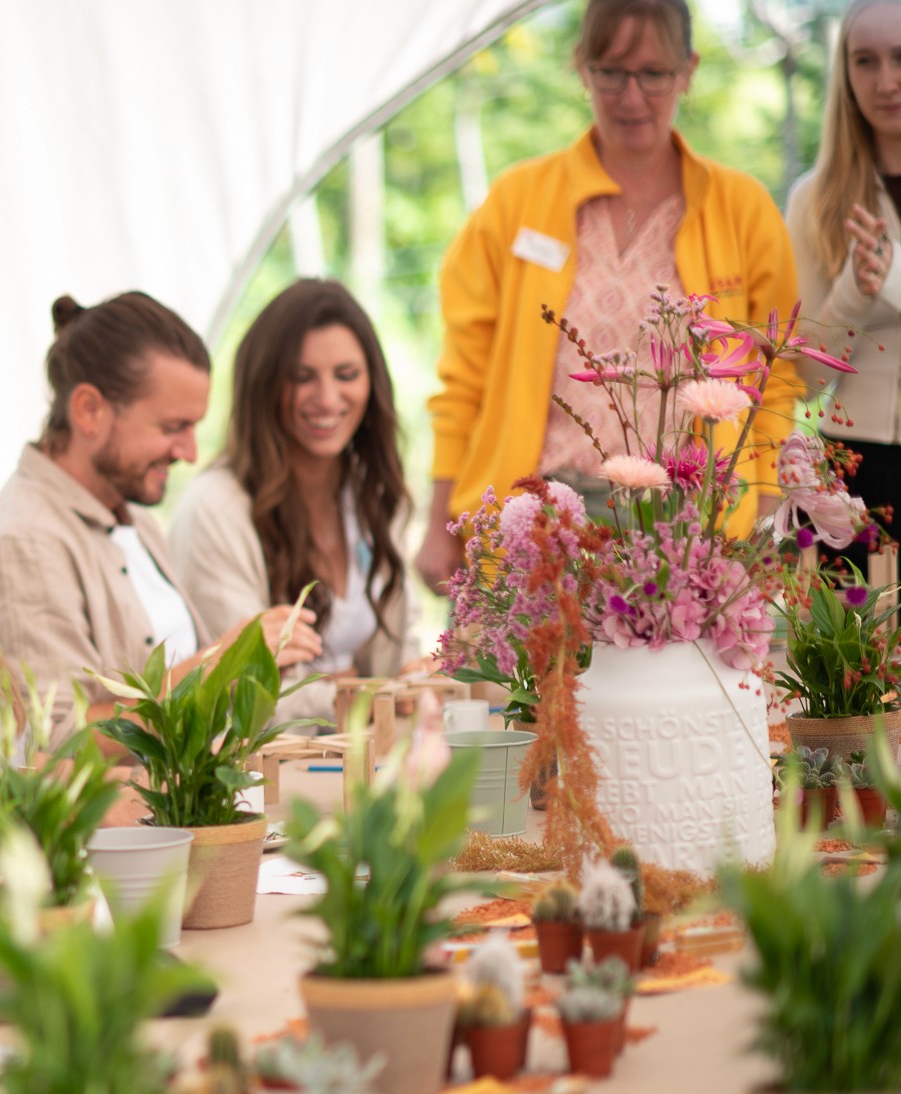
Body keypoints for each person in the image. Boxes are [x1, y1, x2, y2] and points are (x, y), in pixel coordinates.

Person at [420, 0, 801, 594]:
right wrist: (438, 522)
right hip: (538, 519)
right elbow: (463, 377)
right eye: (610, 72)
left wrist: (767, 524)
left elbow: (775, 380)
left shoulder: (742, 208)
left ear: (688, 70)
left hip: (693, 529)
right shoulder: (517, 200)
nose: (631, 97)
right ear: (580, 66)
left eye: (654, 74)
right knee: (527, 685)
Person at [0, 291, 320, 739]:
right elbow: (52, 744)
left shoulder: (136, 521)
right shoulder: (23, 542)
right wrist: (220, 662)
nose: (189, 453)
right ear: (89, 411)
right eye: (173, 428)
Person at [172, 280, 421, 722]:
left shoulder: (376, 495)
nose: (327, 399)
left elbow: (403, 648)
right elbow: (246, 689)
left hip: (370, 760)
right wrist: (377, 696)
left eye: (346, 375)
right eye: (301, 377)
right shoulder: (214, 509)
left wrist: (419, 675)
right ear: (263, 385)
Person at [788, 0, 901, 570]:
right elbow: (807, 381)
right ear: (845, 74)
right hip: (852, 470)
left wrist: (892, 274)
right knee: (854, 658)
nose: (886, 81)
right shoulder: (816, 199)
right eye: (865, 61)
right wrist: (854, 291)